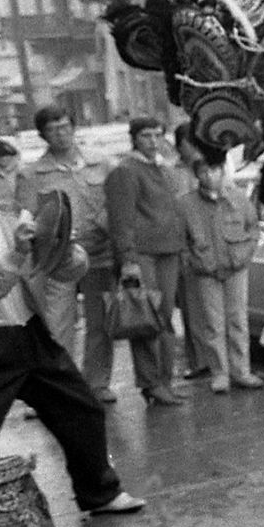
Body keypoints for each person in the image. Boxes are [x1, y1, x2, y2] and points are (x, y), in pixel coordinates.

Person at [0, 130, 144, 516]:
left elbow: (64, 270)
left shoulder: (8, 214)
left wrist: (66, 247)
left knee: (83, 410)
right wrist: (17, 253)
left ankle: (100, 494)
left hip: (31, 334)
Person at [16, 105, 118, 402]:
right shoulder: (32, 174)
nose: (60, 134)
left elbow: (117, 204)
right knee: (58, 324)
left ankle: (97, 384)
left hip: (99, 252)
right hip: (57, 258)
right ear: (42, 135)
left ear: (74, 127)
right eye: (52, 129)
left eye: (64, 126)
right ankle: (60, 390)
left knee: (101, 323)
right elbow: (25, 216)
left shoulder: (101, 163)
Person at [103, 117, 187, 408]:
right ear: (134, 138)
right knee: (145, 318)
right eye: (145, 135)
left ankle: (164, 381)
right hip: (142, 254)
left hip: (168, 250)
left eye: (157, 134)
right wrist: (128, 260)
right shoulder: (125, 171)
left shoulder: (163, 168)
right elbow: (121, 220)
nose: (152, 141)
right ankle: (152, 383)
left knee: (163, 317)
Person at [178, 157, 263, 394]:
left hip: (236, 267)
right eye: (204, 172)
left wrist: (244, 255)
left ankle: (241, 370)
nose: (209, 176)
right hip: (205, 271)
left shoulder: (238, 198)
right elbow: (182, 241)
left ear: (221, 171)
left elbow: (253, 228)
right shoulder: (186, 205)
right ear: (197, 175)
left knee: (238, 320)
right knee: (213, 324)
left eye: (214, 170)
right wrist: (195, 262)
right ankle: (219, 373)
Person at [171, 122, 215, 382]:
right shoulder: (172, 172)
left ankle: (219, 359)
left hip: (212, 243)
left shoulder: (210, 167)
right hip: (186, 247)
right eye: (190, 143)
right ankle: (199, 360)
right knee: (193, 309)